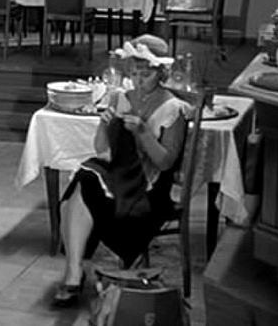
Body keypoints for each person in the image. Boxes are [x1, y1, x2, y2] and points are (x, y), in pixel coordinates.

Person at [52, 34, 188, 307]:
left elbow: (165, 163)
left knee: (81, 189)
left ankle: (74, 273)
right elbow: (102, 149)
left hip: (149, 187)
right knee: (84, 178)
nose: (138, 81)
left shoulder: (173, 108)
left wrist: (143, 133)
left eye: (146, 75)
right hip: (117, 173)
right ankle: (74, 269)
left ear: (161, 73)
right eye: (134, 74)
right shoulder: (120, 98)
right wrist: (104, 125)